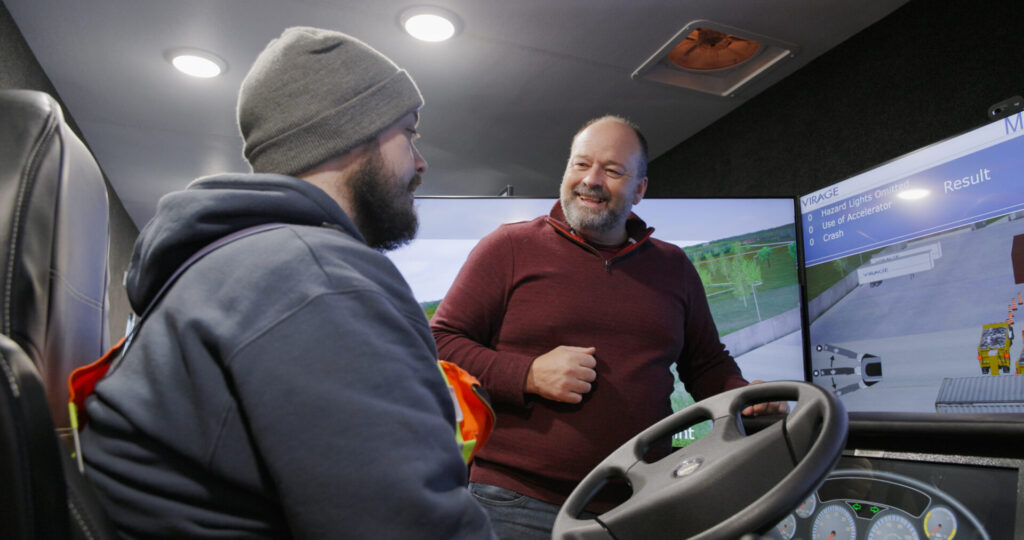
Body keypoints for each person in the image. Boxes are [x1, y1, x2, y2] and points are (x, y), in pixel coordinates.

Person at [80, 27, 495, 539]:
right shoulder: (318, 280)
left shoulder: (233, 266)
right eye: (409, 132)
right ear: (352, 133)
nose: (421, 161)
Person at [429, 115, 786, 539]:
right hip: (517, 505)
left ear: (639, 189)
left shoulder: (673, 266)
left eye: (612, 170)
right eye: (581, 165)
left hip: (642, 502)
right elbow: (438, 341)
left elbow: (706, 363)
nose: (591, 180)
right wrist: (526, 374)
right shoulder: (508, 247)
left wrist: (743, 399)